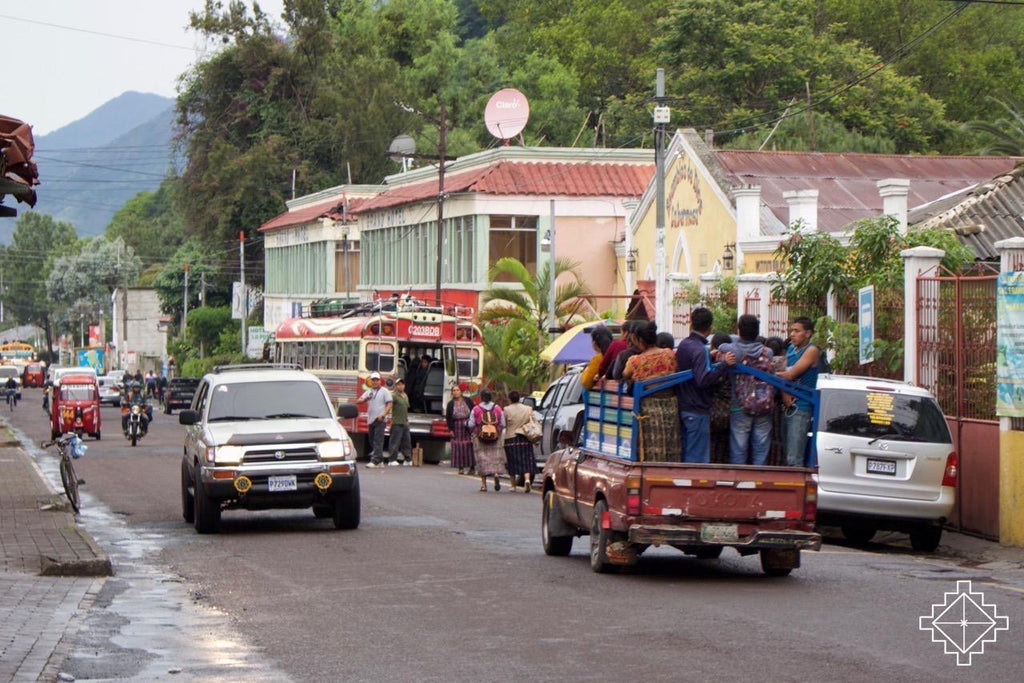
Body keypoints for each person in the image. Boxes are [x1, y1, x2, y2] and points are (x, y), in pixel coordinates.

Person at [675, 307, 736, 463]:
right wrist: (723, 364)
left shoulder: (684, 344)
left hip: (684, 405)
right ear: (710, 327)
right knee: (697, 458)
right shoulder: (700, 349)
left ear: (691, 324)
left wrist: (709, 356)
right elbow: (703, 380)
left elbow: (692, 366)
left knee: (688, 453)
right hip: (697, 407)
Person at [719, 314, 776, 466]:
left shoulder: (733, 351)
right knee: (761, 449)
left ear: (739, 331)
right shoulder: (768, 352)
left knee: (739, 449)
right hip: (764, 406)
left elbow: (720, 346)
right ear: (757, 332)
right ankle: (758, 481)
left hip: (740, 406)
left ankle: (739, 483)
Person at [622, 321, 680, 462]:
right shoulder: (669, 354)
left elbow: (624, 374)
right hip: (671, 406)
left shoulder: (635, 361)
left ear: (639, 340)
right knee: (670, 443)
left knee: (652, 447)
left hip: (649, 409)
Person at [777, 317, 821, 467]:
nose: (792, 334)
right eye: (791, 330)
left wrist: (768, 373)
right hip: (789, 405)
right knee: (786, 452)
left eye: (797, 331)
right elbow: (783, 373)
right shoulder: (790, 349)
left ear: (808, 333)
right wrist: (785, 394)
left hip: (802, 407)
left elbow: (789, 375)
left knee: (794, 457)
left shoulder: (811, 351)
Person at [468, 389, 506, 492]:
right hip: (495, 437)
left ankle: (484, 485)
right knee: (494, 458)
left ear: (481, 397)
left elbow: (471, 424)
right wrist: (497, 431)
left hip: (480, 437)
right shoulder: (498, 408)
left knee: (482, 459)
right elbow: (503, 423)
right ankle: (496, 474)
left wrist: (474, 431)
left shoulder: (476, 409)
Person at [355, 372, 393, 468]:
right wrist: (365, 399)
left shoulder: (384, 391)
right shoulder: (369, 391)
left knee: (378, 440)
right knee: (372, 439)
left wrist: (384, 415)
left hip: (380, 419)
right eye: (373, 380)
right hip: (371, 419)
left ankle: (375, 460)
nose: (375, 382)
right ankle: (380, 459)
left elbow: (389, 403)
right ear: (370, 381)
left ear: (380, 381)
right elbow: (358, 401)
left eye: (377, 380)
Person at [502, 391, 536, 492]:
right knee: (526, 460)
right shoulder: (528, 409)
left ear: (510, 399)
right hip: (525, 437)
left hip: (510, 438)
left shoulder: (506, 409)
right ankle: (527, 480)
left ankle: (513, 485)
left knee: (512, 461)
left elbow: (503, 423)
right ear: (519, 398)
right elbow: (533, 421)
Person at [708, 333, 733, 464]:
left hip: (712, 411)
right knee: (725, 446)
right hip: (730, 412)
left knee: (711, 445)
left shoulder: (711, 364)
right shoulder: (735, 363)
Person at [445, 385, 475, 475]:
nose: (456, 392)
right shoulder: (450, 404)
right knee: (459, 447)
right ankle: (460, 467)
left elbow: (473, 412)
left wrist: (474, 425)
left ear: (460, 391)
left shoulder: (468, 401)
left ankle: (472, 467)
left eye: (457, 390)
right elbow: (448, 417)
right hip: (457, 427)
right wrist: (451, 429)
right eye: (454, 390)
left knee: (469, 446)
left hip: (468, 426)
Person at [580, 326, 614, 391]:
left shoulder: (597, 359)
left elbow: (586, 383)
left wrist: (584, 373)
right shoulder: (617, 354)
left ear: (594, 343)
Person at [389, 379, 413, 466]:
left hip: (404, 422)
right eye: (398, 384)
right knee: (395, 442)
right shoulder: (393, 396)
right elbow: (389, 405)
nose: (400, 386)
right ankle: (392, 460)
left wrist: (407, 419)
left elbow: (406, 408)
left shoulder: (405, 395)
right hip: (396, 422)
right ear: (396, 386)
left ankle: (407, 459)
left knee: (407, 441)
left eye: (402, 384)